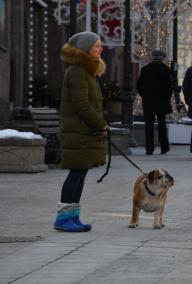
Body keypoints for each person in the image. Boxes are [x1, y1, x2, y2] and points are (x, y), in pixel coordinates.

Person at [55, 31, 108, 232]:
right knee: (76, 173)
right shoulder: (77, 71)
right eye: (97, 46)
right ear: (86, 48)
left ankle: (72, 216)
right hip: (78, 131)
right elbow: (82, 106)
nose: (100, 48)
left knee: (81, 173)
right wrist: (101, 124)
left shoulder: (87, 71)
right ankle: (62, 219)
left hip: (84, 131)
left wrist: (98, 124)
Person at [136, 50, 172, 155]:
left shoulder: (145, 69)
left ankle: (149, 148)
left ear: (152, 58)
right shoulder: (165, 70)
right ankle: (164, 147)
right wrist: (166, 97)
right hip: (162, 101)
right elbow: (169, 87)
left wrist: (145, 95)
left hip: (148, 102)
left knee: (149, 125)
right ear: (162, 58)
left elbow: (139, 86)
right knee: (162, 124)